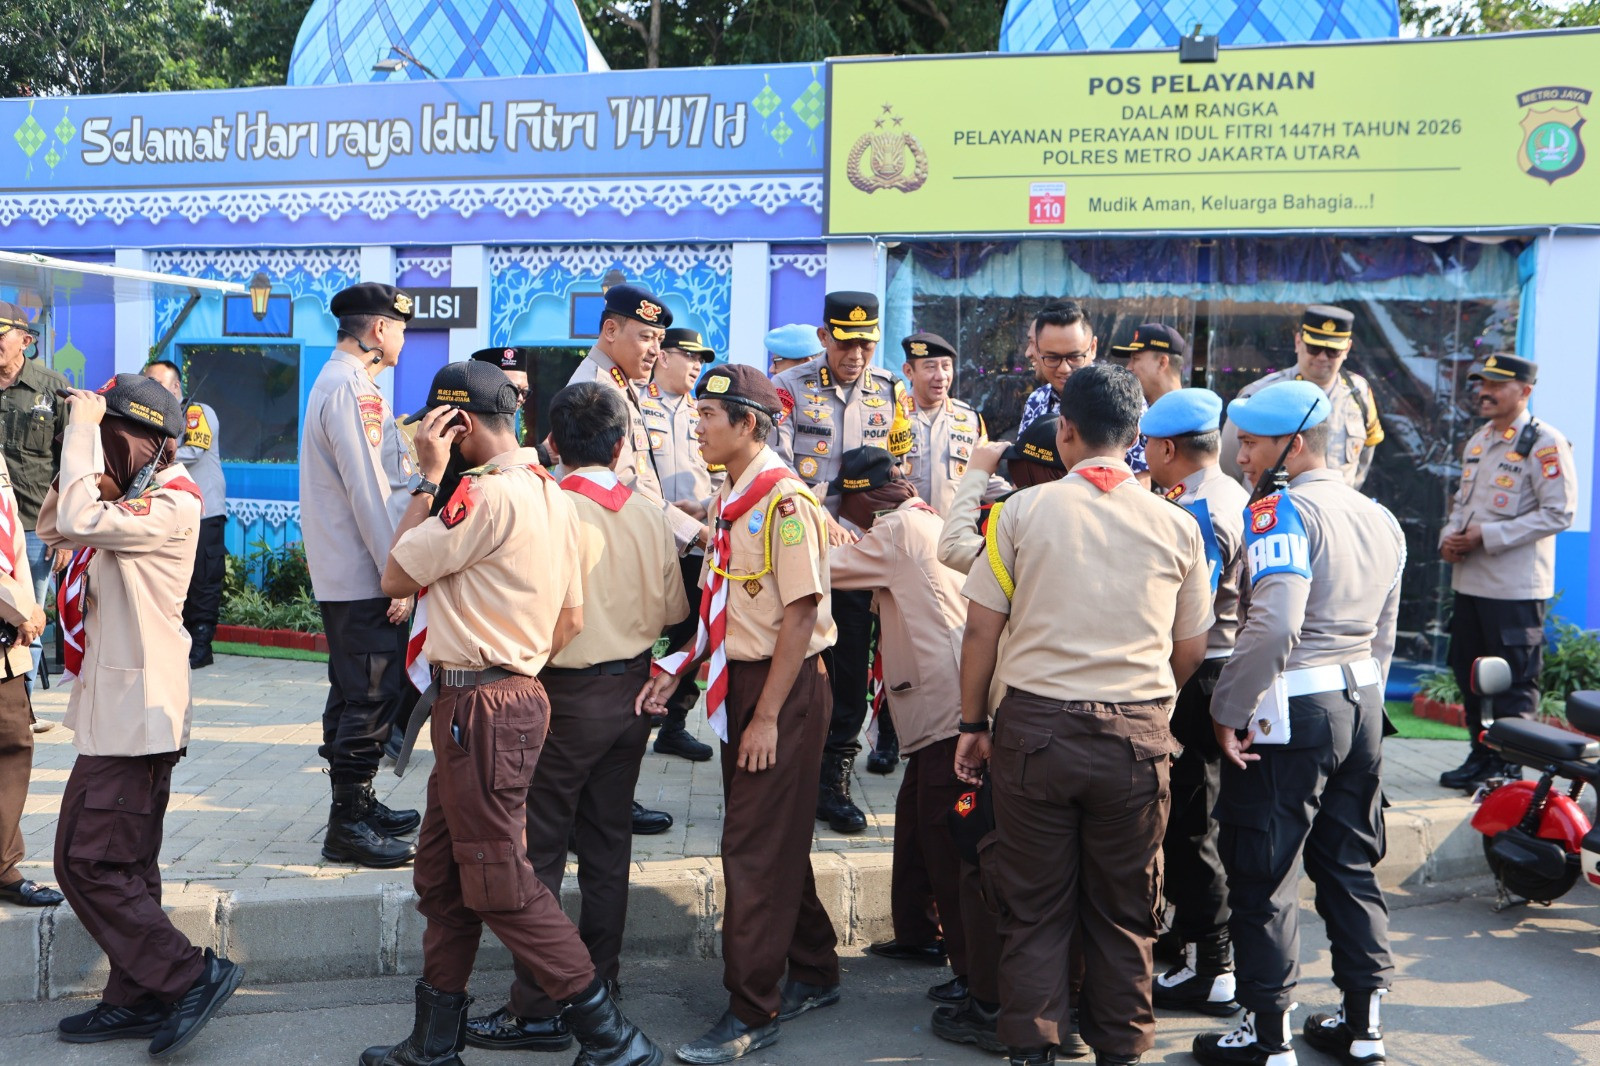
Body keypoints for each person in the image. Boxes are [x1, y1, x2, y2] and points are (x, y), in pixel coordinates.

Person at [371, 360, 663, 1066]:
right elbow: (568, 620)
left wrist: (425, 477)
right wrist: (517, 659)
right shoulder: (551, 493)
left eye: (438, 429)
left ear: (459, 425)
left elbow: (395, 574)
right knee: (443, 876)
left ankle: (610, 1036)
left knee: (500, 879)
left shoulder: (484, 493)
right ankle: (435, 1042)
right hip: (508, 695)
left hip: (480, 702)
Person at [955, 364, 1210, 1066]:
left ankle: (1031, 1050)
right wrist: (1149, 706)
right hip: (1136, 738)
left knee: (1033, 906)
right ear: (1134, 438)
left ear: (1065, 432)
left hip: (1034, 734)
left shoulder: (1020, 513)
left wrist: (973, 725)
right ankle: (1121, 1052)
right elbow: (1189, 649)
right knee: (1126, 912)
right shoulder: (1177, 525)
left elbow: (982, 632)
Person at [465, 382, 689, 1053]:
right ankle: (600, 985)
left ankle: (541, 1005)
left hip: (564, 693)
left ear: (552, 444)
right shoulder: (650, 512)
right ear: (622, 444)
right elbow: (677, 615)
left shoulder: (552, 506)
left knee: (537, 854)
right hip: (631, 695)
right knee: (607, 848)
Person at [1194, 379, 1405, 1066]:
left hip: (1296, 713)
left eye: (1252, 442)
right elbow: (1385, 634)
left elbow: (1277, 619)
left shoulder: (1279, 512)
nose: (1242, 455)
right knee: (1349, 864)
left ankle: (1265, 1036)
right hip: (1362, 706)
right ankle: (1363, 1025)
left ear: (1295, 444)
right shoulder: (1380, 516)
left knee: (1264, 869)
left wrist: (1227, 709)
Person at [637, 363, 840, 1064]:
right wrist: (678, 665)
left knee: (750, 848)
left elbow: (800, 613)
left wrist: (766, 718)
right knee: (773, 836)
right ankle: (814, 968)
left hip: (780, 690)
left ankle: (754, 1009)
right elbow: (725, 604)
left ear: (746, 423)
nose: (696, 427)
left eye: (707, 418)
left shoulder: (783, 502)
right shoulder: (736, 495)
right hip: (748, 680)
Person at [40, 375, 242, 1056]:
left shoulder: (173, 505)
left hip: (136, 716)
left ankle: (188, 975)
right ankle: (136, 994)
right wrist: (91, 471)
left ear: (146, 441)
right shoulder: (134, 497)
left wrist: (77, 442)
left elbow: (75, 524)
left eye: (107, 436)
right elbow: (55, 523)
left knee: (86, 861)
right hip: (120, 713)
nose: (97, 444)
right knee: (122, 864)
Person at [826, 447, 975, 991]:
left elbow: (820, 569)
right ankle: (918, 932)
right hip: (943, 699)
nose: (850, 518)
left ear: (864, 497)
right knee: (915, 824)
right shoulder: (923, 518)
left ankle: (969, 970)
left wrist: (816, 531)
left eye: (848, 506)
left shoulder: (894, 532)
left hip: (943, 706)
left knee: (943, 837)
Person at [299, 281, 419, 869]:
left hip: (352, 570)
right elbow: (370, 493)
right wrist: (395, 572)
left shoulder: (347, 383)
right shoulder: (352, 389)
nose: (402, 336)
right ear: (377, 330)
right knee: (370, 696)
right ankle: (345, 825)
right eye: (399, 326)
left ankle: (359, 801)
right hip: (364, 573)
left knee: (358, 692)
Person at [770, 290, 898, 834]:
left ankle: (834, 780)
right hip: (800, 545)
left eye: (866, 343)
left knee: (848, 667)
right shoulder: (789, 388)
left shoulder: (889, 392)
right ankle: (780, 767)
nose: (856, 355)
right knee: (791, 660)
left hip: (858, 555)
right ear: (824, 337)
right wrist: (820, 521)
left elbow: (900, 466)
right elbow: (774, 465)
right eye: (846, 343)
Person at [1141, 388, 1250, 1019]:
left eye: (1149, 446)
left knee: (1191, 826)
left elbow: (1192, 615)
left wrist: (1168, 692)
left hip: (1200, 671)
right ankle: (1193, 952)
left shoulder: (1198, 510)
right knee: (1199, 820)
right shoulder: (1232, 492)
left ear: (1168, 447)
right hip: (1221, 671)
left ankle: (1214, 968)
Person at [1437, 353, 1576, 791]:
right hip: (1471, 583)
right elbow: (1464, 504)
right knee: (1470, 672)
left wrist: (1487, 536)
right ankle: (1481, 755)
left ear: (1525, 391)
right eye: (1482, 383)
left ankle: (1509, 768)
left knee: (1513, 683)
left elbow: (1560, 513)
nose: (1485, 391)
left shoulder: (1544, 443)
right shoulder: (1479, 440)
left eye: (1496, 385)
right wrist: (1450, 537)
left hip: (1515, 589)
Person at [561, 283, 704, 554]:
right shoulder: (595, 390)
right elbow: (624, 482)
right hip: (605, 547)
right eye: (647, 337)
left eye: (660, 340)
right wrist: (696, 534)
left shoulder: (619, 383)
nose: (655, 350)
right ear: (611, 331)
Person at [640, 326, 719, 763]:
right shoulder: (638, 405)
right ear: (663, 357)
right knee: (643, 635)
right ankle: (635, 713)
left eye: (700, 360)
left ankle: (674, 722)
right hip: (648, 546)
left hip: (694, 548)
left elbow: (722, 477)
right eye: (688, 356)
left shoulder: (702, 413)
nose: (696, 367)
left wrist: (710, 511)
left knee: (692, 633)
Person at [1219, 305, 1384, 490]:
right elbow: (1229, 465)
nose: (1322, 357)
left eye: (1332, 351)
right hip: (1272, 514)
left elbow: (1364, 457)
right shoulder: (1260, 393)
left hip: (1334, 510)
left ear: (1347, 349)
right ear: (1298, 342)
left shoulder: (1359, 393)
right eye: (1314, 347)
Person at [0, 301, 70, 695]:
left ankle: (19, 709)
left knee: (29, 621)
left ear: (25, 340)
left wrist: (65, 532)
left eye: (0, 334)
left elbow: (73, 465)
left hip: (32, 528)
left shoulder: (51, 387)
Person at [0, 441, 58, 908]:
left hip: (9, 634)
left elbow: (13, 537)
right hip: (10, 617)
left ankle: (3, 865)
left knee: (13, 741)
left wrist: (29, 605)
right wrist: (22, 610)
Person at [142, 361, 227, 669]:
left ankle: (201, 647)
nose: (150, 388)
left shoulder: (196, 412)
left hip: (203, 511)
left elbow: (195, 450)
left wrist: (153, 458)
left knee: (204, 580)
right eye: (146, 382)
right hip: (168, 512)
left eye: (158, 383)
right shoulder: (151, 418)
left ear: (176, 387)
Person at [1017, 301, 1149, 487]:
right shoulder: (1037, 400)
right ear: (1037, 352)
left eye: (1074, 357)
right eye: (1052, 358)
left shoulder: (1120, 397)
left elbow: (1141, 481)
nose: (1064, 368)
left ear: (1093, 348)